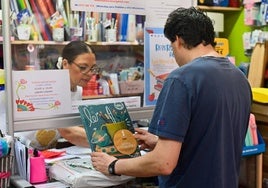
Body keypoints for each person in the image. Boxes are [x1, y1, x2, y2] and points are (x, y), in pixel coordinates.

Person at [91, 7, 252, 188]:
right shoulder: (240, 78)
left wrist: (112, 165)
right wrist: (161, 142)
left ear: (178, 40)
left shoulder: (181, 78)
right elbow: (211, 139)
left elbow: (163, 163)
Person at [57, 41, 99, 147]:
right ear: (65, 64)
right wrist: (104, 140)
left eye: (92, 68)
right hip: (27, 151)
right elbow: (67, 130)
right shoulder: (52, 88)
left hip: (50, 151)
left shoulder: (78, 90)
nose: (89, 74)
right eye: (83, 67)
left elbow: (76, 126)